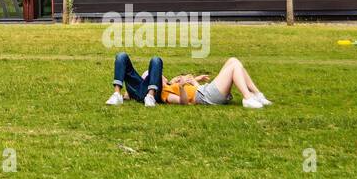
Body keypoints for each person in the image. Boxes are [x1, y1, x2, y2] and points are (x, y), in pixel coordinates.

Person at [107, 52, 270, 109]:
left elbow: (193, 93)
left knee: (234, 61)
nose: (162, 77)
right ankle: (248, 98)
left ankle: (256, 94)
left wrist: (194, 81)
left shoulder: (170, 85)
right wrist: (183, 86)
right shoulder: (166, 92)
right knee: (234, 65)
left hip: (204, 91)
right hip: (205, 95)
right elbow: (185, 102)